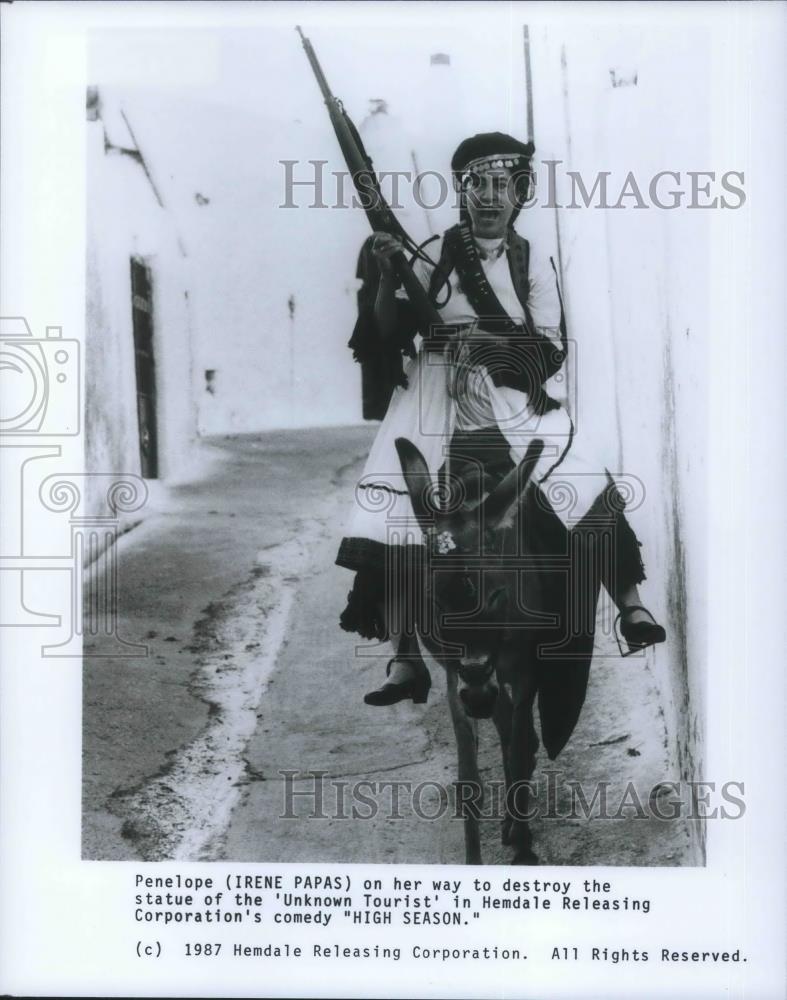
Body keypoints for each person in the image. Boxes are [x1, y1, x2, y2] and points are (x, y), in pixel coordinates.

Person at [336, 131, 665, 707]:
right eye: (478, 185)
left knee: (583, 477)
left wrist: (488, 344)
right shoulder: (431, 252)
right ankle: (406, 655)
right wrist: (389, 275)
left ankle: (630, 605)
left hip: (509, 392)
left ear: (519, 193)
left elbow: (549, 349)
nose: (490, 197)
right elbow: (387, 333)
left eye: (501, 185)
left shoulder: (533, 262)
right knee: (397, 507)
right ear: (463, 192)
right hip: (434, 394)